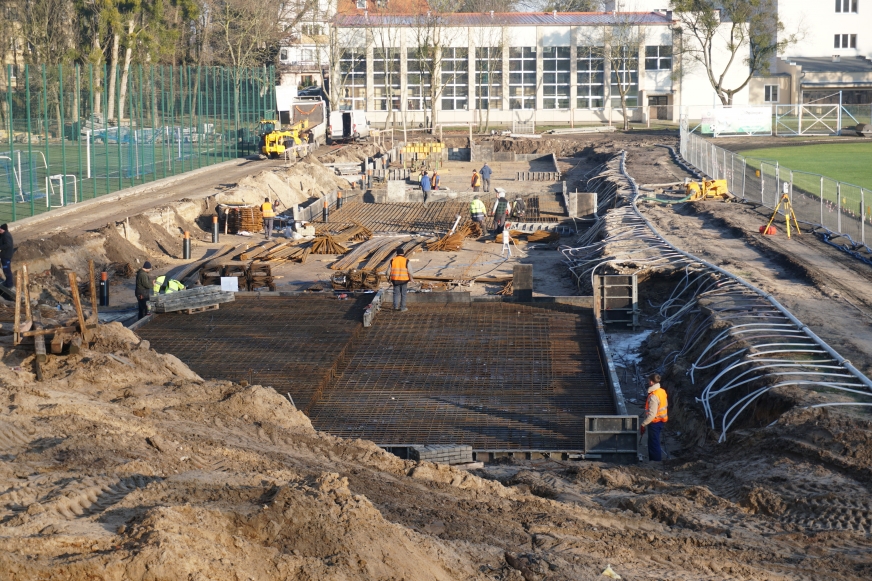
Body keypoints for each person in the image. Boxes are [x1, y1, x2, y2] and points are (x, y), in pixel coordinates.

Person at [640, 373, 668, 461]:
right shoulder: (662, 391)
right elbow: (665, 404)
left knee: (653, 444)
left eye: (649, 380)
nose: (648, 382)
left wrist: (643, 424)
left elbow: (652, 414)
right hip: (661, 421)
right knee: (655, 442)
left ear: (651, 382)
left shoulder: (653, 396)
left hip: (655, 422)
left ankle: (655, 463)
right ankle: (656, 461)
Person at [385, 248, 414, 312]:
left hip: (395, 280)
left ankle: (395, 307)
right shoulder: (406, 260)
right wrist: (411, 279)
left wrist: (388, 279)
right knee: (403, 294)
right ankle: (403, 308)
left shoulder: (392, 260)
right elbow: (410, 271)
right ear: (403, 253)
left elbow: (387, 272)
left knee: (396, 293)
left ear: (397, 254)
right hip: (404, 280)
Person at [0, 223, 14, 290]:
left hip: (6, 255)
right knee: (5, 270)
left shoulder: (6, 235)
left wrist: (0, 248)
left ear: (4, 229)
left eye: (1, 229)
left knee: (7, 270)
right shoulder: (3, 234)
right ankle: (7, 282)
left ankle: (9, 284)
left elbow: (8, 244)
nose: (0, 230)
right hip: (4, 255)